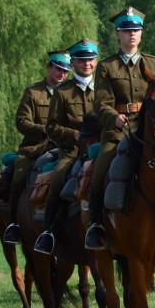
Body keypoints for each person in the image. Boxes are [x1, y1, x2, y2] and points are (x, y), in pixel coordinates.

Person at [84, 7, 155, 250]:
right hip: (118, 132)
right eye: (126, 30)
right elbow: (101, 104)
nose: (132, 34)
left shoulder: (154, 63)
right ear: (118, 34)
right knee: (100, 173)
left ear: (141, 34)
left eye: (136, 30)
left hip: (150, 132)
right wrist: (114, 118)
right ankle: (96, 225)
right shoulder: (107, 66)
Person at [33, 38, 98, 254]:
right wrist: (74, 134)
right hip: (72, 153)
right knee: (59, 177)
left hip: (103, 149)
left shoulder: (105, 89)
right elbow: (51, 127)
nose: (86, 63)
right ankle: (49, 231)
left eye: (90, 59)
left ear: (96, 61)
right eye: (81, 60)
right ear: (75, 62)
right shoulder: (62, 92)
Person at [2, 50, 71, 244]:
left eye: (66, 71)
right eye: (58, 69)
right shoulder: (33, 92)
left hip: (65, 145)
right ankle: (14, 224)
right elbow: (22, 122)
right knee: (19, 177)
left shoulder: (69, 92)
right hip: (35, 147)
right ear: (49, 67)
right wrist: (47, 131)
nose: (62, 74)